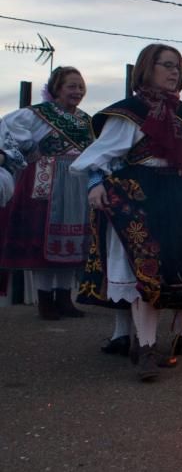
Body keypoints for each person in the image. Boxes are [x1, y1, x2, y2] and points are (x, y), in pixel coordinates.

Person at [71, 43, 182, 381]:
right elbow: (100, 155)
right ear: (147, 68)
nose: (174, 71)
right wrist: (95, 184)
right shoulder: (129, 112)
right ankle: (145, 349)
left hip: (180, 195)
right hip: (142, 195)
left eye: (177, 66)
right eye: (166, 65)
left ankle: (178, 336)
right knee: (146, 272)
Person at [0, 67, 94, 320]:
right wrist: (29, 150)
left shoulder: (86, 120)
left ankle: (64, 298)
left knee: (72, 242)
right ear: (56, 89)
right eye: (71, 86)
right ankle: (45, 299)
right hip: (46, 181)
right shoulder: (38, 115)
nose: (77, 91)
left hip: (76, 182)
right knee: (45, 240)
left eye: (80, 86)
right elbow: (5, 128)